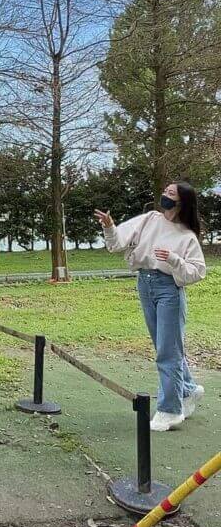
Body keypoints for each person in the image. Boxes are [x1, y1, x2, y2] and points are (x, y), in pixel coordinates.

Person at [95, 181, 206, 432]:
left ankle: (170, 410)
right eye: (165, 191)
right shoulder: (150, 219)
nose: (165, 196)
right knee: (164, 346)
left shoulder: (187, 235)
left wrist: (175, 260)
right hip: (144, 283)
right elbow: (118, 242)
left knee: (168, 351)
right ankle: (188, 389)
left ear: (182, 202)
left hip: (169, 290)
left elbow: (197, 271)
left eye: (170, 194)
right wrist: (110, 227)